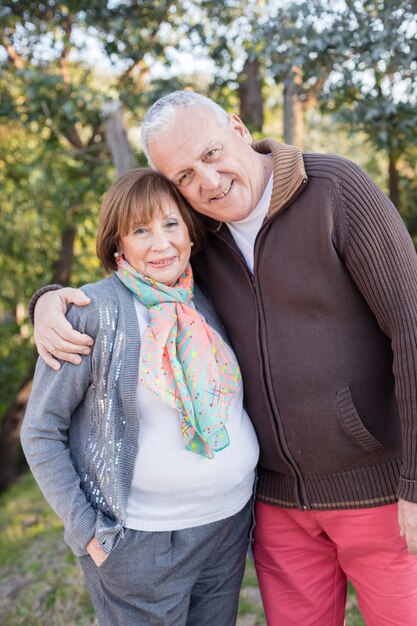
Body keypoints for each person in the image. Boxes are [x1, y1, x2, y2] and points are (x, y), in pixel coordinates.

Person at [30, 91, 417, 625]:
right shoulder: (200, 234)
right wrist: (49, 302)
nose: (207, 183)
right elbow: (136, 262)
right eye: (185, 176)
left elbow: (412, 328)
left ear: (237, 128)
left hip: (377, 491)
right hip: (275, 506)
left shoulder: (335, 190)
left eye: (211, 154)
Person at [21, 168, 259, 626]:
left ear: (190, 232)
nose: (161, 243)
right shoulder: (93, 313)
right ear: (118, 245)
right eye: (140, 230)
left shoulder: (207, 296)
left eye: (171, 224)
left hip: (228, 525)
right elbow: (41, 429)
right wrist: (87, 531)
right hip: (142, 545)